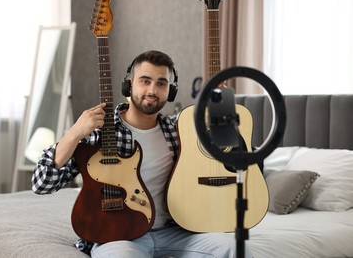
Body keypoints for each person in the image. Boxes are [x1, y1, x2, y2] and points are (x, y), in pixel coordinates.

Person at [32, 50, 252, 258]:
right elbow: (42, 184)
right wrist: (74, 133)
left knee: (234, 248)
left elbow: (231, 158)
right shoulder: (100, 132)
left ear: (171, 91)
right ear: (129, 85)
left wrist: (222, 107)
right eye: (145, 81)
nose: (152, 91)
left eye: (161, 83)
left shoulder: (178, 130)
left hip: (177, 231)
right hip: (120, 235)